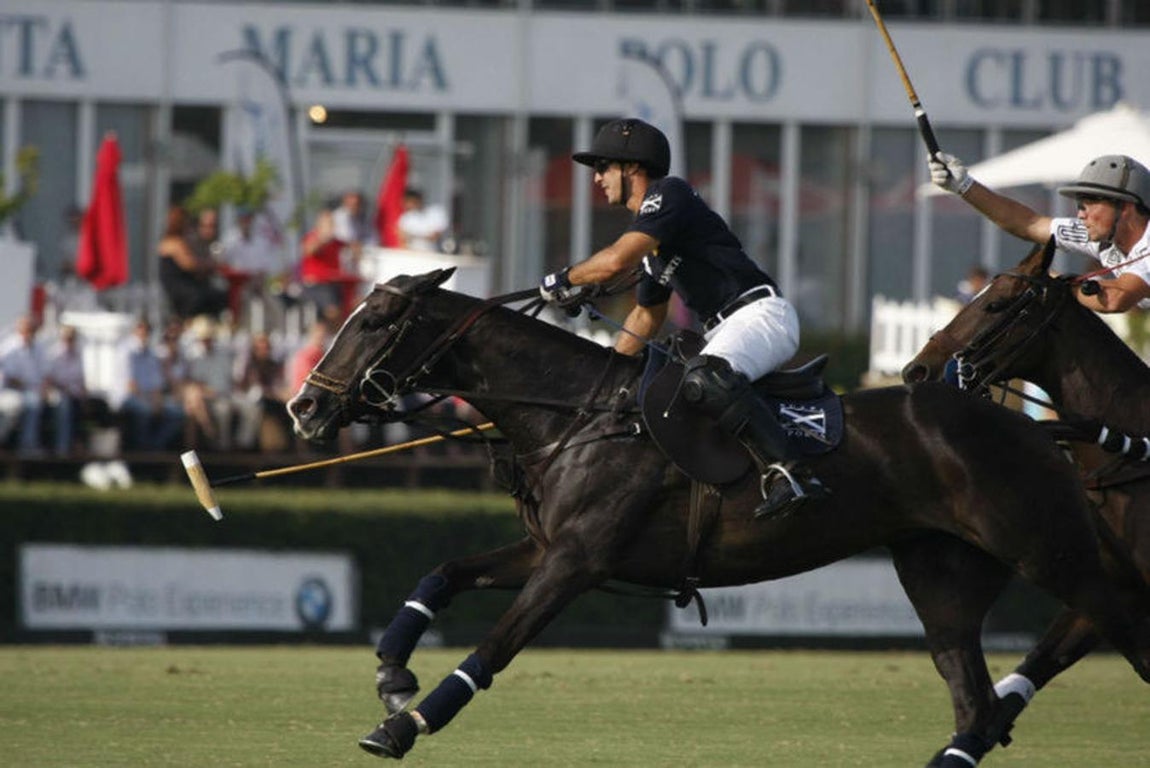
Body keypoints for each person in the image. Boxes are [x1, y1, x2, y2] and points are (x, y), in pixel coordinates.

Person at [538, 118, 825, 517]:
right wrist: (607, 380)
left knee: (705, 379)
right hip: (728, 327)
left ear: (632, 167)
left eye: (603, 167)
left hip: (761, 315)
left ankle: (792, 474)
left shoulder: (668, 194)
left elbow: (617, 260)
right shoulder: (654, 248)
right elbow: (646, 316)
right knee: (665, 398)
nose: (597, 178)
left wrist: (564, 278)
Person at [930, 152, 1150, 313]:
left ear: (1125, 207)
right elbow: (1027, 223)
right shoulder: (1100, 236)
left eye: (1090, 203)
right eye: (1080, 205)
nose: (1081, 214)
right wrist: (964, 186)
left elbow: (1113, 299)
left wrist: (1059, 283)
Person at [116, 319, 185, 452]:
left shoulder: (151, 354)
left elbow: (156, 385)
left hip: (147, 398)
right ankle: (143, 451)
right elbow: (131, 386)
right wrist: (150, 403)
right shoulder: (126, 351)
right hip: (126, 398)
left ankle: (154, 447)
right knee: (145, 411)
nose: (144, 332)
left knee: (177, 413)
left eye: (147, 329)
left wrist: (157, 402)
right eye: (140, 328)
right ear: (134, 330)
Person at [158, 205, 228, 321]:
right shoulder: (174, 243)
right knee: (208, 298)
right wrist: (209, 265)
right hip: (182, 289)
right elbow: (190, 265)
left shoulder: (176, 241)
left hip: (186, 286)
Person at [299, 208, 359, 323]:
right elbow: (308, 250)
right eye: (328, 223)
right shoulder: (312, 237)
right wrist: (323, 239)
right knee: (332, 312)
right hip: (317, 285)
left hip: (333, 284)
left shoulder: (335, 242)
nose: (331, 226)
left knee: (353, 304)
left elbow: (352, 246)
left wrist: (356, 249)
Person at [0, 315, 47, 457]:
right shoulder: (9, 348)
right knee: (25, 403)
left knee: (34, 401)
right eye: (27, 330)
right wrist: (26, 385)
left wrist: (42, 388)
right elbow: (9, 377)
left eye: (32, 330)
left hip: (31, 391)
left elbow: (44, 372)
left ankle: (27, 445)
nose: (29, 334)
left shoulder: (39, 348)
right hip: (10, 390)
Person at [397, 188, 448, 252]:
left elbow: (435, 237)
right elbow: (402, 241)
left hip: (434, 255)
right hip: (413, 255)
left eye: (408, 202)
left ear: (417, 200)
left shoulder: (436, 212)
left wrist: (411, 235)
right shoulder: (406, 218)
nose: (406, 206)